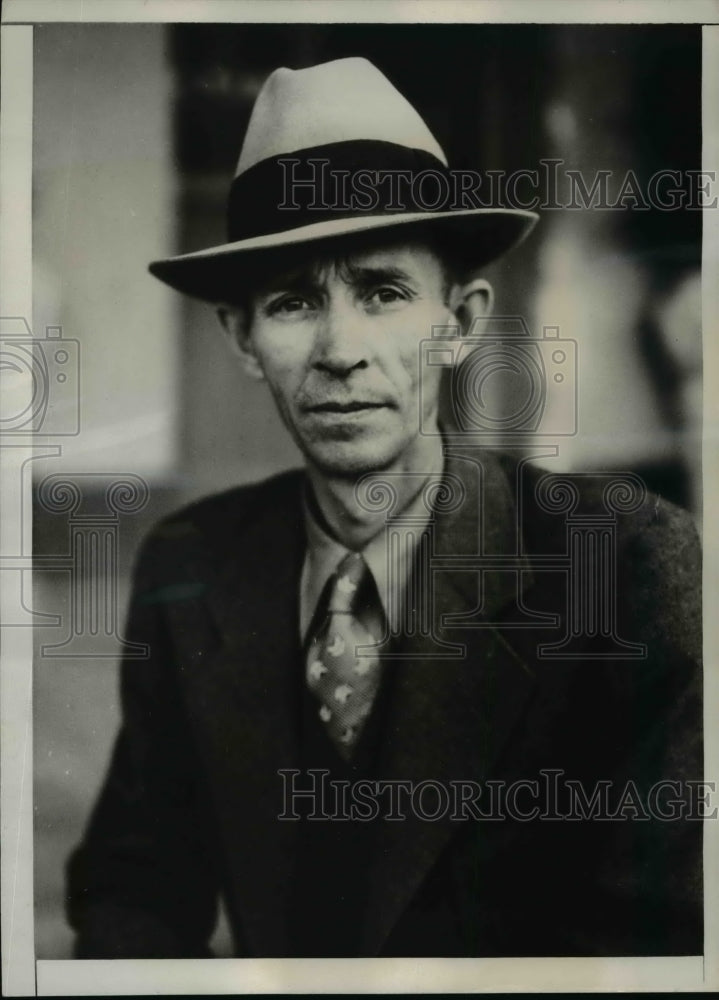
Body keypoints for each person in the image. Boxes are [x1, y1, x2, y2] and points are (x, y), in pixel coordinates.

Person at [66, 57, 702, 959]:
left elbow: (661, 946)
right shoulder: (189, 562)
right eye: (292, 302)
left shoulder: (626, 564)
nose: (339, 351)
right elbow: (135, 891)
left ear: (461, 321)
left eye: (382, 293)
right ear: (244, 338)